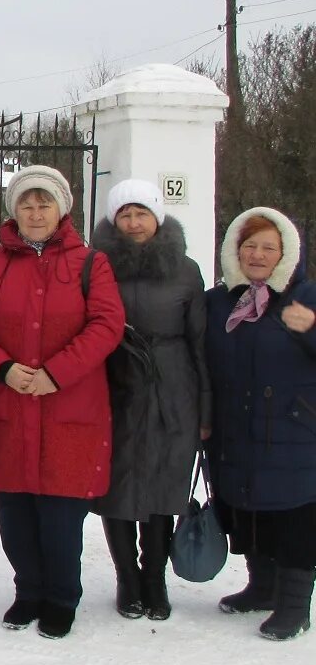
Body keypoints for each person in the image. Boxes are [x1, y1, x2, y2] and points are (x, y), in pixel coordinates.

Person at [0, 165, 124, 639]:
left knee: (60, 514)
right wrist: (3, 368)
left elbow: (106, 326)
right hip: (10, 404)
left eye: (43, 203)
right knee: (15, 512)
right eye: (26, 204)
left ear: (62, 208)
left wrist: (57, 373)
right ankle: (27, 589)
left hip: (68, 405)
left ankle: (61, 596)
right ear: (14, 210)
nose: (34, 212)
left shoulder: (92, 263)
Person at [90, 180, 209, 622]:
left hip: (172, 385)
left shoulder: (186, 270)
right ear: (114, 221)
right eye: (125, 214)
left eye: (141, 213)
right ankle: (127, 577)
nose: (134, 222)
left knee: (164, 482)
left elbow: (200, 342)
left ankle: (154, 576)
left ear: (157, 217)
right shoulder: (98, 266)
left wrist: (205, 408)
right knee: (116, 481)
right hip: (117, 380)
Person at [205, 206, 316, 640]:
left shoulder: (306, 296)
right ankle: (261, 587)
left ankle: (294, 607)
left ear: (286, 252)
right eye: (248, 245)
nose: (257, 254)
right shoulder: (220, 301)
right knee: (247, 508)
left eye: (268, 247)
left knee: (295, 516)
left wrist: (312, 330)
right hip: (236, 424)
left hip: (295, 431)